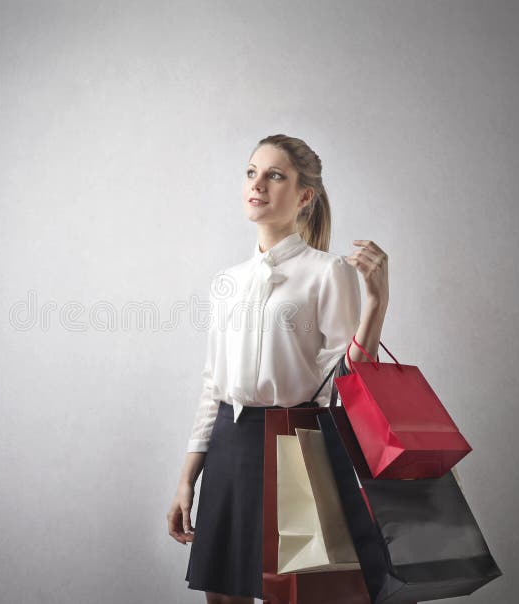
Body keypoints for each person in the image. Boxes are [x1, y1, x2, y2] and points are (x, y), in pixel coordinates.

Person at [166, 134, 390, 603]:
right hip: (228, 441)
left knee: (292, 593)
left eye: (275, 175)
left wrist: (376, 306)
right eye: (252, 172)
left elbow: (344, 386)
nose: (258, 184)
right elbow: (213, 385)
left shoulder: (328, 272)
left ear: (304, 195)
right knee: (223, 596)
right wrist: (188, 477)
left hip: (293, 445)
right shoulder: (226, 281)